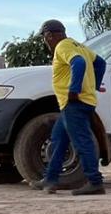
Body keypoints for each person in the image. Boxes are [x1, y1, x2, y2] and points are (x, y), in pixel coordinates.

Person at [33, 19, 106, 195]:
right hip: (76, 103)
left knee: (83, 142)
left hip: (75, 103)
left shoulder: (63, 47)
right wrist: (93, 85)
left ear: (49, 35)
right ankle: (50, 180)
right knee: (58, 140)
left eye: (44, 37)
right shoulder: (78, 45)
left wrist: (74, 89)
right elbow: (100, 63)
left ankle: (95, 182)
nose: (45, 41)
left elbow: (79, 63)